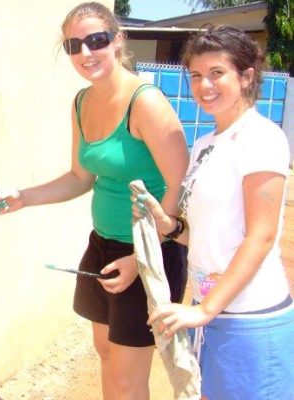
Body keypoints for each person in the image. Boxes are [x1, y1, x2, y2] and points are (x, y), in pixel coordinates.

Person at [0, 2, 189, 399]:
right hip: (102, 245)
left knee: (130, 379)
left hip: (149, 253)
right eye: (73, 45)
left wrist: (141, 258)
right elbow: (81, 176)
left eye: (96, 40)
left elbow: (179, 186)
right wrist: (24, 197)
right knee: (106, 355)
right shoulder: (82, 103)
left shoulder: (145, 102)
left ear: (117, 40)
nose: (85, 53)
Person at [133, 25, 294, 400]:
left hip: (248, 319)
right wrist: (169, 226)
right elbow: (208, 232)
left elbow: (262, 236)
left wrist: (205, 310)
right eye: (196, 75)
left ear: (247, 76)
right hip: (210, 313)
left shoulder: (262, 137)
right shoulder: (206, 143)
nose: (204, 85)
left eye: (216, 73)